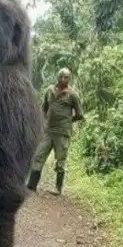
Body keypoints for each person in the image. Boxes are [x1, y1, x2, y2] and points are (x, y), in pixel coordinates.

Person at [27, 67, 84, 195]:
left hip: (62, 133)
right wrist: (43, 122)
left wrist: (68, 121)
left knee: (60, 160)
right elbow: (43, 108)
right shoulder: (50, 90)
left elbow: (80, 114)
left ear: (69, 79)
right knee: (38, 156)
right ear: (57, 77)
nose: (63, 79)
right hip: (48, 131)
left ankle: (58, 188)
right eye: (61, 77)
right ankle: (31, 185)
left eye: (66, 77)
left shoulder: (72, 95)